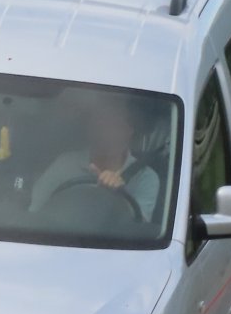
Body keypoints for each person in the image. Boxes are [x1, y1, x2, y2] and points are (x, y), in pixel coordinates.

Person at [30, 93, 160, 221]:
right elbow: (34, 211)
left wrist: (119, 196)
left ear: (129, 130)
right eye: (100, 123)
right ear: (90, 128)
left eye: (115, 124)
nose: (106, 132)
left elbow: (140, 227)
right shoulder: (65, 164)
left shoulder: (145, 177)